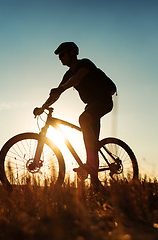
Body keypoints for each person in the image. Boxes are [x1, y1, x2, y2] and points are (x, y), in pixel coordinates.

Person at [34, 42, 116, 188]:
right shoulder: (67, 74)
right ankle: (96, 184)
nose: (60, 58)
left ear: (72, 53)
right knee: (91, 145)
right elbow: (56, 93)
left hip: (104, 101)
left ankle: (90, 165)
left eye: (62, 54)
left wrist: (61, 88)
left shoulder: (85, 64)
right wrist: (43, 107)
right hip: (91, 106)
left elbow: (77, 79)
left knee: (83, 119)